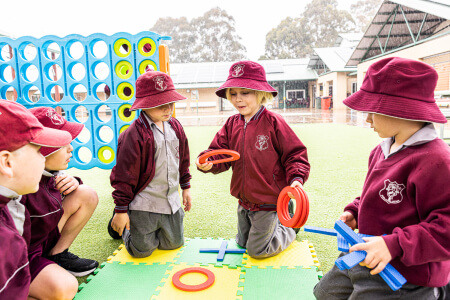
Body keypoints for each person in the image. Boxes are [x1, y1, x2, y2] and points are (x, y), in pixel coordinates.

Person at [314, 57, 450, 299]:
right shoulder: (380, 150)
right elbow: (375, 196)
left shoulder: (437, 161)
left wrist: (393, 244)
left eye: (372, 112)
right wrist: (354, 211)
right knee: (324, 293)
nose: (366, 120)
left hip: (406, 274)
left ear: (401, 111)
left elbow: (446, 227)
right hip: (367, 252)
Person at [196, 61, 310, 258]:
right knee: (242, 244)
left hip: (269, 201)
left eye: (245, 93)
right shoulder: (232, 123)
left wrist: (296, 180)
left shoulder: (274, 122)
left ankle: (289, 227)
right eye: (233, 94)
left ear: (260, 94)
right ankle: (271, 227)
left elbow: (295, 154)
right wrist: (207, 164)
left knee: (258, 250)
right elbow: (218, 153)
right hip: (244, 201)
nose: (238, 99)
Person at [108, 71, 192, 258]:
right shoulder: (133, 135)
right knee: (141, 251)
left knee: (174, 244)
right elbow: (124, 174)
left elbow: (183, 159)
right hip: (144, 202)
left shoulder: (175, 127)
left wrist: (185, 187)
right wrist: (121, 209)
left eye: (170, 102)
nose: (167, 109)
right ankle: (121, 224)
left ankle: (138, 223)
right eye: (160, 104)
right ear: (144, 105)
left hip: (170, 201)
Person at [22, 107, 99, 300]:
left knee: (86, 194)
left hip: (41, 242)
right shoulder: (21, 183)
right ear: (43, 149)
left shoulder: (49, 174)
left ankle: (57, 255)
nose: (71, 148)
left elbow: (51, 193)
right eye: (62, 143)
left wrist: (73, 181)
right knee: (63, 288)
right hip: (23, 256)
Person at [0, 101, 71, 299]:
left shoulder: (9, 200)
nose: (43, 159)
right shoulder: (5, 239)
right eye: (39, 151)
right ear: (7, 162)